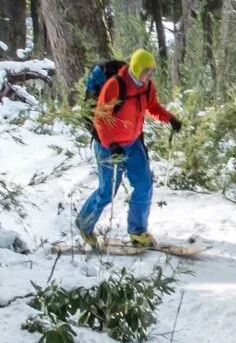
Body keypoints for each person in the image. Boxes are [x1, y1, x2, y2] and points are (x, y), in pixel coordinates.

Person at [77, 48, 181, 247]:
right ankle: (84, 224)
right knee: (106, 192)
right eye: (146, 71)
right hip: (109, 146)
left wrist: (170, 118)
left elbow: (152, 106)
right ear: (136, 68)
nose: (149, 76)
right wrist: (112, 144)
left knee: (144, 184)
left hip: (133, 143)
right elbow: (100, 118)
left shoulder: (146, 86)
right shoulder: (115, 86)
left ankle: (137, 231)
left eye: (151, 72)